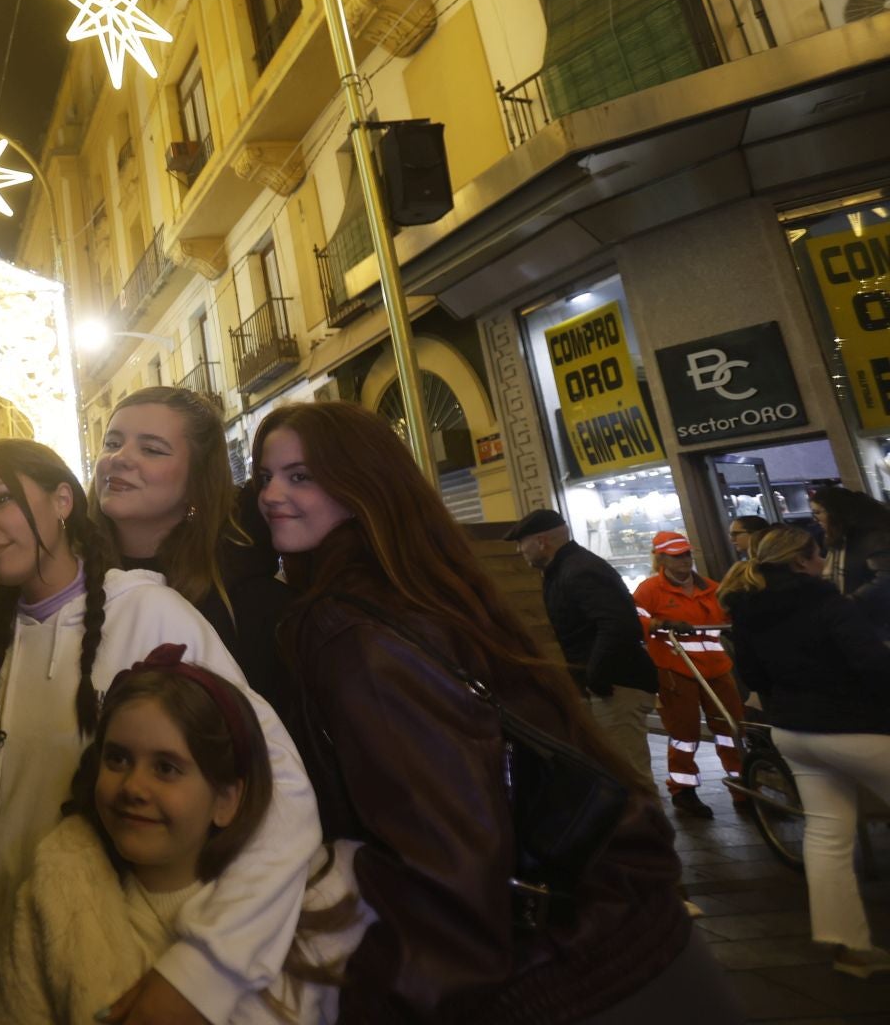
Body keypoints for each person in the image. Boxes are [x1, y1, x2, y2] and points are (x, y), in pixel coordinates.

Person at [260, 402, 736, 1020]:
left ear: (364, 486)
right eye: (265, 476)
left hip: (580, 978)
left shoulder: (352, 627)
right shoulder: (419, 585)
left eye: (300, 477)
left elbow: (450, 866)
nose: (271, 495)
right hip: (636, 940)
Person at [0, 438, 320, 1025]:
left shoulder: (149, 615)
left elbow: (279, 789)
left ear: (63, 499)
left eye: (0, 500)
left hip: (113, 976)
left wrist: (203, 971)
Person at [0, 644, 364, 1025]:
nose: (133, 787)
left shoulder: (304, 913)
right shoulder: (56, 901)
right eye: (117, 759)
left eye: (166, 768)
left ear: (227, 800)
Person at [721, 526, 890, 980]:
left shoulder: (747, 609)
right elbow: (872, 664)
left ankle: (850, 948)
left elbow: (753, 673)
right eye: (818, 556)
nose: (822, 563)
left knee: (827, 838)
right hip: (856, 730)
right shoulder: (825, 600)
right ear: (800, 560)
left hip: (794, 734)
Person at [90, 386, 304, 738]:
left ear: (196, 481)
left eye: (152, 449)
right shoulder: (64, 584)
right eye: (112, 443)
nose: (120, 458)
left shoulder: (253, 605)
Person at [509, 507, 660, 788]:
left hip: (617, 685)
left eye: (522, 542)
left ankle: (649, 830)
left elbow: (617, 625)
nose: (520, 550)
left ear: (542, 541)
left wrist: (596, 676)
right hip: (605, 685)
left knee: (628, 775)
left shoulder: (579, 570)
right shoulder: (563, 570)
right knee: (613, 772)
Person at [633, 531, 749, 820]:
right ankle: (683, 791)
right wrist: (659, 622)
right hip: (676, 669)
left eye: (686, 554)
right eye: (676, 556)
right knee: (685, 734)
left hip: (716, 669)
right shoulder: (650, 590)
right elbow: (634, 618)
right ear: (661, 558)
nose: (684, 560)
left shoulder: (711, 588)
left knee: (731, 729)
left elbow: (730, 618)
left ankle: (742, 787)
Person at [809, 485, 890, 594]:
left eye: (818, 512)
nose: (815, 519)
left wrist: (852, 602)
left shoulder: (872, 539)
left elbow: (884, 579)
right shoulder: (840, 540)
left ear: (835, 512)